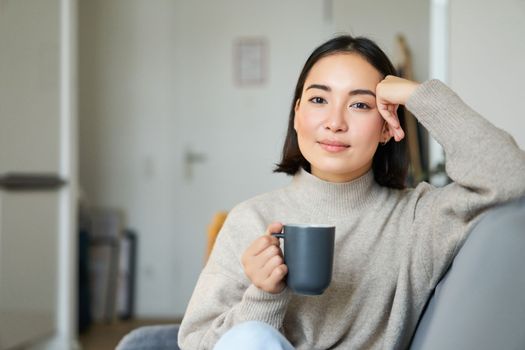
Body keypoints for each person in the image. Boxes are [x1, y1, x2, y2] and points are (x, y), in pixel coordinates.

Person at [177, 35, 525, 349]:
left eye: (360, 104)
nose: (335, 122)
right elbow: (196, 343)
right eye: (318, 100)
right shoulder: (251, 220)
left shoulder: (419, 219)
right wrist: (265, 295)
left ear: (389, 127)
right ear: (297, 115)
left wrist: (419, 96)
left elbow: (511, 175)